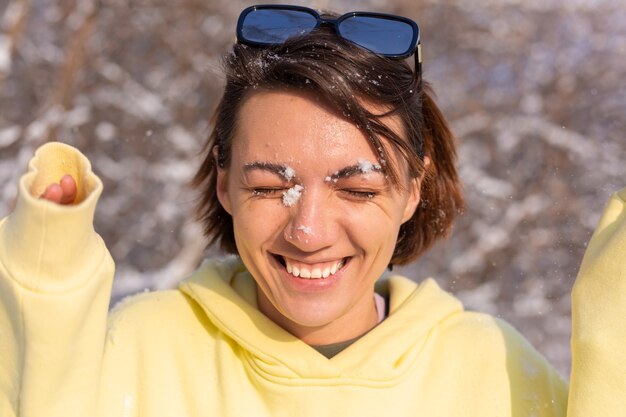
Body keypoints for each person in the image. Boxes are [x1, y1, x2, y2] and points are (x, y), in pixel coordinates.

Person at [0, 4, 624, 417]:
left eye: (356, 189)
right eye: (272, 186)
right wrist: (47, 282)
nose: (308, 229)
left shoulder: (498, 374)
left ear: (412, 188)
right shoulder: (136, 351)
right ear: (224, 183)